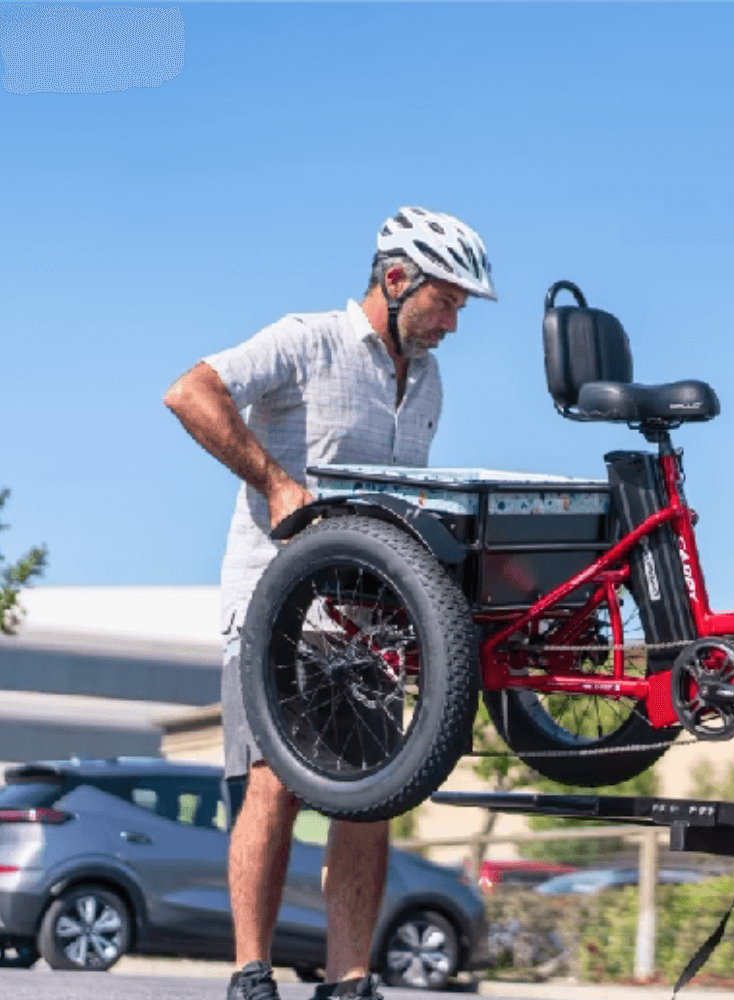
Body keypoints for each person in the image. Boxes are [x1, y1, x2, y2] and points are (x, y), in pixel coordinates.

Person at [163, 207, 496, 1000]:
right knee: (274, 783)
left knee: (374, 789)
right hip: (274, 609)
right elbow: (190, 392)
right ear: (395, 278)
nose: (453, 322)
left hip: (366, 620)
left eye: (459, 308)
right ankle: (252, 972)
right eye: (445, 301)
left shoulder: (430, 380)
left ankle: (349, 980)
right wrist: (275, 480)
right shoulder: (305, 339)